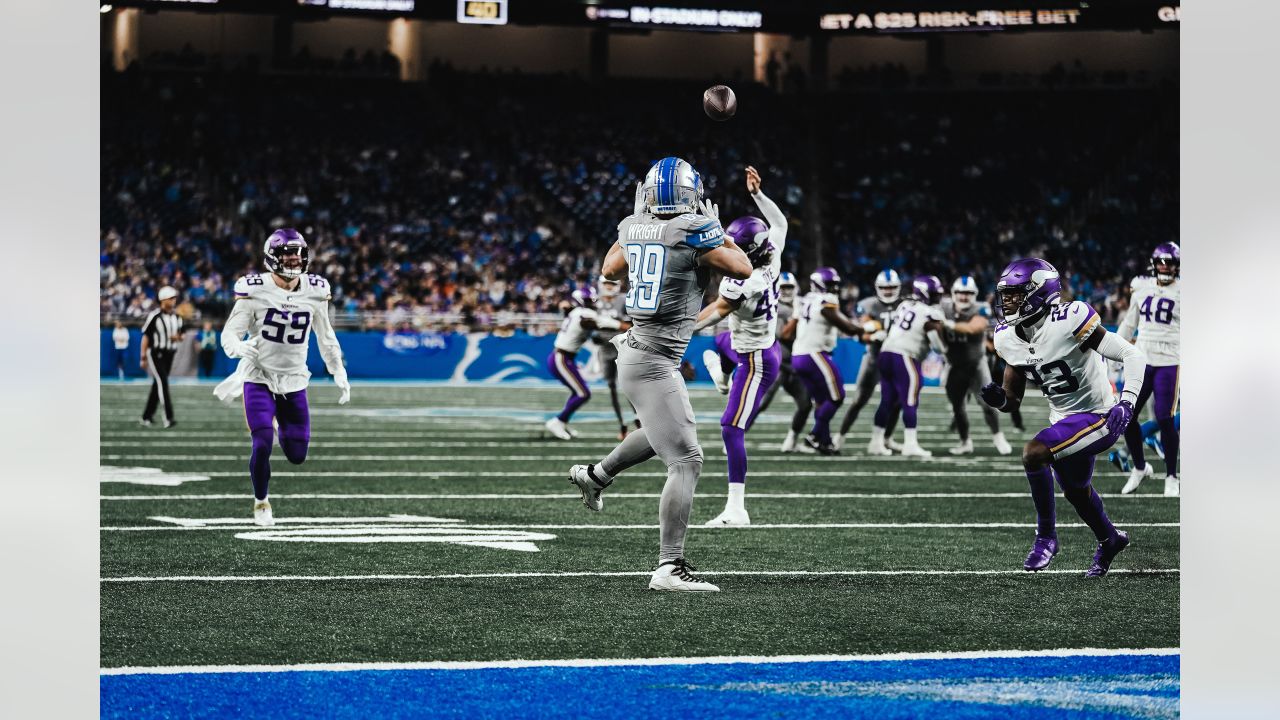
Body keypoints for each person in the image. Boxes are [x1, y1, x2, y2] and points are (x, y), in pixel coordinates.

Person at [566, 157, 752, 592]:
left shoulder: (634, 226)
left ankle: (595, 475)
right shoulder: (693, 230)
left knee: (660, 432)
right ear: (692, 194)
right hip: (653, 359)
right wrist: (718, 229)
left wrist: (633, 224)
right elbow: (743, 269)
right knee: (687, 459)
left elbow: (610, 270)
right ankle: (669, 566)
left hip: (637, 352)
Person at [982, 258, 1148, 577]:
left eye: (1017, 294)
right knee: (1076, 492)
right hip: (1065, 421)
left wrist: (1126, 404)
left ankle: (1046, 538)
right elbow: (1012, 400)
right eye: (1006, 295)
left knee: (1035, 453)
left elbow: (1132, 354)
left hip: (1101, 415)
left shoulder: (1070, 317)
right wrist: (999, 399)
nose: (1008, 301)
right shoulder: (1006, 338)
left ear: (1040, 292)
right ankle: (1110, 539)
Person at [215, 228, 351, 527]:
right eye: (287, 254)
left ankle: (276, 422)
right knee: (262, 442)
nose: (293, 259)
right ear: (272, 257)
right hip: (258, 376)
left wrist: (337, 368)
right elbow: (230, 332)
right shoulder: (254, 290)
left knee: (297, 454)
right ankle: (261, 501)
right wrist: (237, 347)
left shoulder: (315, 290)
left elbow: (325, 335)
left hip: (294, 380)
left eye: (298, 253)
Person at [692, 165, 790, 526]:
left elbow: (718, 309)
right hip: (748, 343)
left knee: (731, 428)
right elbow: (778, 225)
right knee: (719, 344)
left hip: (756, 360)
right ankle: (722, 379)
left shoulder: (744, 283)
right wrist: (758, 195)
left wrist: (679, 327)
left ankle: (737, 509)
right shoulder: (773, 255)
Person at [1116, 242, 1181, 497]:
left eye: (1170, 262)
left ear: (1176, 266)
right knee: (1127, 416)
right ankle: (1140, 468)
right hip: (1141, 360)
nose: (1165, 266)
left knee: (1165, 419)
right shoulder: (1141, 288)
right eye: (1161, 262)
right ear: (1154, 264)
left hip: (1169, 361)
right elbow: (1129, 323)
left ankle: (1172, 476)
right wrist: (1113, 353)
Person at [786, 268, 870, 455]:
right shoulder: (826, 301)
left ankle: (824, 441)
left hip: (799, 354)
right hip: (814, 353)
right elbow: (844, 326)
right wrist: (861, 329)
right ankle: (815, 436)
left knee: (822, 401)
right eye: (831, 284)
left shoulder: (806, 299)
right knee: (837, 397)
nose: (834, 287)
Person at [867, 275, 948, 457]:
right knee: (910, 400)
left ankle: (876, 442)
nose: (937, 298)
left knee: (887, 400)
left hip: (886, 353)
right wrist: (945, 347)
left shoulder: (905, 305)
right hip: (904, 356)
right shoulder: (930, 313)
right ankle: (910, 444)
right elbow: (936, 344)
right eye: (935, 294)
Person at [940, 276, 1013, 455]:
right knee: (958, 407)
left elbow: (974, 328)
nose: (964, 297)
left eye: (968, 293)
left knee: (988, 403)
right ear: (953, 293)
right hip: (954, 365)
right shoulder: (943, 307)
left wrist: (946, 323)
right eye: (960, 293)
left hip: (976, 365)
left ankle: (998, 437)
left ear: (974, 294)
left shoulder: (980, 308)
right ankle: (965, 442)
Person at [835, 269, 903, 451]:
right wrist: (872, 336)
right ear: (877, 288)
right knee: (859, 400)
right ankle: (839, 436)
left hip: (897, 359)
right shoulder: (868, 305)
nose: (888, 292)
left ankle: (886, 438)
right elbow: (861, 333)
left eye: (891, 288)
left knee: (896, 402)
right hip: (875, 358)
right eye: (884, 288)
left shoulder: (905, 305)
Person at [544, 285, 624, 440]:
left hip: (564, 358)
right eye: (589, 300)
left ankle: (562, 422)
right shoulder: (583, 313)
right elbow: (600, 322)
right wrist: (623, 326)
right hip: (561, 358)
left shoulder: (576, 312)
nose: (592, 302)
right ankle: (558, 421)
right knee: (583, 393)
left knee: (579, 392)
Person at [757, 272, 813, 452]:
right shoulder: (774, 306)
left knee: (805, 404)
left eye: (790, 287)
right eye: (784, 288)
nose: (787, 291)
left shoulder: (803, 305)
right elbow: (784, 334)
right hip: (778, 362)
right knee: (761, 403)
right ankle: (735, 436)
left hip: (795, 364)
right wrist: (797, 316)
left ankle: (791, 442)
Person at [593, 278, 638, 440]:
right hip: (604, 349)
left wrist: (612, 324)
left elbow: (633, 325)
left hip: (621, 347)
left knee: (627, 386)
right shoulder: (595, 302)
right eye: (606, 284)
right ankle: (622, 425)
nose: (609, 287)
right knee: (611, 387)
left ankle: (638, 421)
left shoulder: (624, 300)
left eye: (612, 284)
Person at [139, 286, 184, 428]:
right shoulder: (155, 316)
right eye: (171, 298)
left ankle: (146, 416)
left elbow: (181, 335)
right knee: (163, 383)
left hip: (170, 354)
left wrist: (177, 337)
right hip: (156, 353)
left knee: (156, 385)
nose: (174, 300)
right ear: (163, 300)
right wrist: (143, 357)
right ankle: (168, 418)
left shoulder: (177, 317)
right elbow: (146, 336)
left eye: (174, 297)